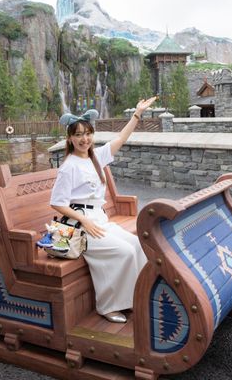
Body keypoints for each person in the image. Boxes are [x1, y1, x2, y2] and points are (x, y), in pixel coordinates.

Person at [49, 97, 157, 323]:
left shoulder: (96, 157)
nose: (84, 139)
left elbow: (121, 138)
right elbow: (57, 203)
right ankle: (108, 305)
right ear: (70, 138)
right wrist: (84, 221)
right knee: (124, 252)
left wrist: (137, 113)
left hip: (99, 219)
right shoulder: (68, 167)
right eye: (78, 135)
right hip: (81, 224)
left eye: (88, 134)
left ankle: (135, 299)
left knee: (137, 246)